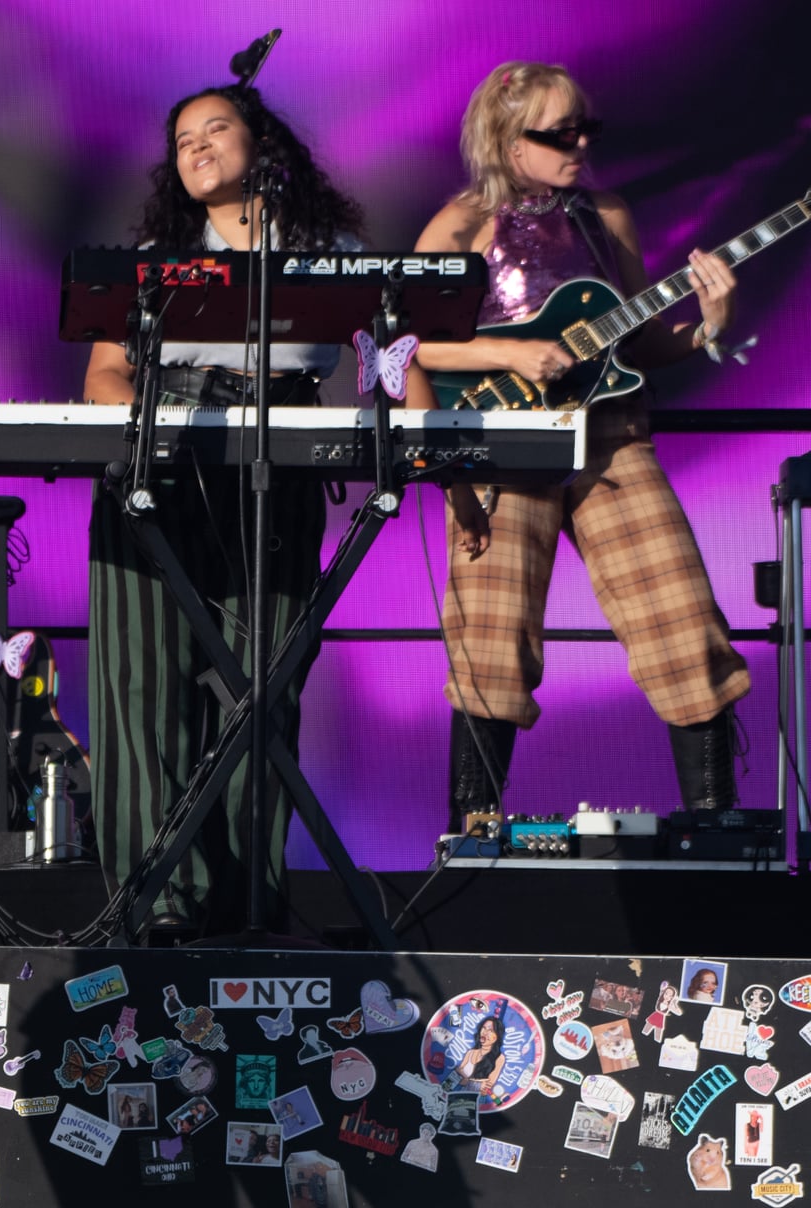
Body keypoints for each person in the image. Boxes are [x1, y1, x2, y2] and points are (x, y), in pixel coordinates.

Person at [83, 83, 429, 929]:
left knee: (265, 692)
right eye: (182, 139)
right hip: (160, 467)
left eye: (216, 129)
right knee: (142, 687)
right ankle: (155, 901)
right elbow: (102, 375)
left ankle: (248, 900)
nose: (196, 146)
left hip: (282, 465)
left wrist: (438, 435)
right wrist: (135, 432)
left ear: (263, 145)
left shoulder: (334, 249)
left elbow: (395, 366)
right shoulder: (159, 253)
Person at [414, 61, 749, 828]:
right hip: (505, 444)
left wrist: (708, 326)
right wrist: (496, 377)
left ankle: (716, 835)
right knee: (492, 643)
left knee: (682, 617)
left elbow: (643, 345)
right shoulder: (460, 227)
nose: (580, 144)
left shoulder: (605, 213)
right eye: (558, 133)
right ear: (506, 138)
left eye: (586, 127)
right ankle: (472, 840)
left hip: (613, 440)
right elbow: (407, 349)